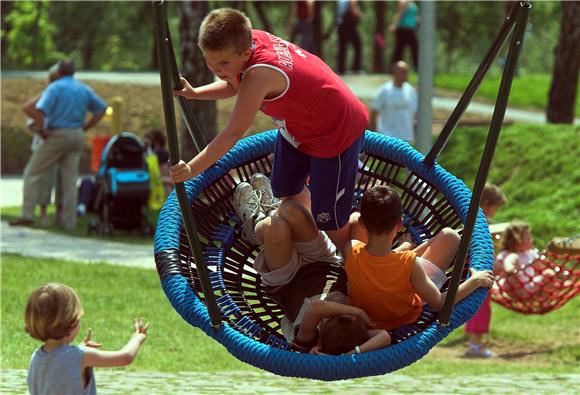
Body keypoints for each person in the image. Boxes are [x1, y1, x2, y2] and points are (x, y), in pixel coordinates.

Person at [170, 8, 369, 251]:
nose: (216, 69)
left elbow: (233, 132)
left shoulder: (259, 73)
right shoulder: (247, 43)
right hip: (299, 128)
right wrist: (194, 93)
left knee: (330, 219)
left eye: (222, 63)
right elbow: (234, 83)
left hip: (336, 132)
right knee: (286, 190)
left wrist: (192, 168)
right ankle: (316, 247)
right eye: (209, 62)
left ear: (244, 53)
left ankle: (353, 265)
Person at [233, 174, 390, 354]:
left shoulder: (308, 338)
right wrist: (353, 353)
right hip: (324, 261)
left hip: (286, 281)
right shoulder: (357, 332)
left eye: (330, 315)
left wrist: (356, 313)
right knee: (290, 209)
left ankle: (256, 224)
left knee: (273, 227)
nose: (336, 306)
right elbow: (384, 336)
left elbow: (317, 308)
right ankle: (272, 209)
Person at [344, 186, 494, 330]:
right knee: (450, 236)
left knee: (401, 256)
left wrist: (403, 247)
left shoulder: (350, 248)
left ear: (362, 223)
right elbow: (440, 303)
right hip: (401, 317)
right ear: (399, 225)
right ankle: (410, 247)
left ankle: (404, 247)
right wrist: (475, 281)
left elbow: (379, 263)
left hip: (366, 314)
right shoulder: (410, 263)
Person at [10, 59, 108, 231]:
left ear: (59, 72)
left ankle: (27, 214)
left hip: (58, 133)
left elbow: (40, 109)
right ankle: (68, 223)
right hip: (77, 134)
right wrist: (86, 126)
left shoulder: (55, 87)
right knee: (70, 181)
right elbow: (101, 109)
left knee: (32, 172)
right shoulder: (83, 88)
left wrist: (42, 130)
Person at [25, 283, 148, 395]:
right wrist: (137, 338)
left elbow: (62, 364)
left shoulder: (36, 358)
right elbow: (125, 357)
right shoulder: (79, 356)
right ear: (72, 323)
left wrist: (80, 348)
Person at [464, 183, 507, 358]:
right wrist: (495, 264)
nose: (496, 211)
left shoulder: (473, 219)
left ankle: (475, 342)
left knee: (477, 306)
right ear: (487, 204)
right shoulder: (478, 222)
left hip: (474, 269)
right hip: (478, 271)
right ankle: (475, 344)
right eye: (496, 207)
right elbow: (479, 249)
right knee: (481, 306)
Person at [21, 63, 63, 226]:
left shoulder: (68, 94)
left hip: (61, 141)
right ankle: (43, 213)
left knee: (63, 179)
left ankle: (61, 214)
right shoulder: (46, 95)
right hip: (46, 142)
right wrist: (43, 131)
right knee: (46, 179)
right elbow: (31, 121)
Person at [495, 222, 554, 301]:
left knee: (549, 273)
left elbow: (541, 267)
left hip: (529, 287)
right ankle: (509, 267)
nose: (532, 240)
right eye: (528, 239)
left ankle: (543, 301)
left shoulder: (530, 253)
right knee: (511, 262)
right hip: (514, 289)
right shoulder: (506, 254)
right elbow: (497, 268)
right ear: (517, 241)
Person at [370, 60, 417, 144]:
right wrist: (374, 135)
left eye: (406, 72)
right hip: (387, 137)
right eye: (402, 72)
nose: (405, 75)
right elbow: (374, 112)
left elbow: (414, 114)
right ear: (394, 73)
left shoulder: (411, 91)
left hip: (406, 138)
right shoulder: (385, 90)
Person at [336, 0, 363, 75]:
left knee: (342, 48)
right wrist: (360, 15)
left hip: (341, 25)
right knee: (358, 46)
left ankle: (341, 69)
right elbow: (353, 7)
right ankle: (356, 68)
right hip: (349, 26)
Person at [390, 0, 419, 70]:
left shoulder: (413, 3)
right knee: (399, 50)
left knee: (415, 49)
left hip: (410, 29)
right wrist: (394, 24)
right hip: (403, 28)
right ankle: (394, 68)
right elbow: (399, 14)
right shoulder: (403, 2)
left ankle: (417, 68)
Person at [144, 129, 172, 198]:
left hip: (163, 192)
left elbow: (167, 177)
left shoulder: (160, 154)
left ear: (156, 142)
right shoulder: (162, 154)